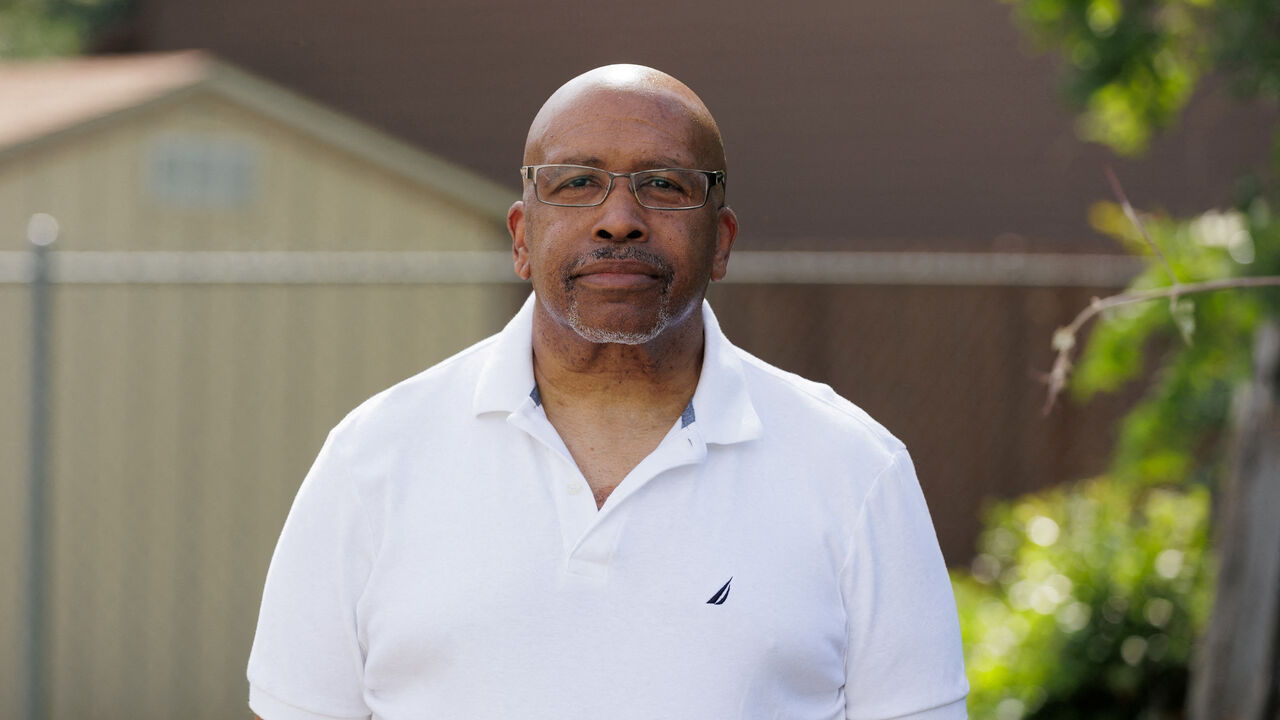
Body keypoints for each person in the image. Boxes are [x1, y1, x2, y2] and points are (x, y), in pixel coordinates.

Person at [247, 64, 968, 720]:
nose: (618, 217)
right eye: (576, 181)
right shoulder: (373, 460)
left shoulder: (854, 471)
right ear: (522, 236)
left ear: (721, 241)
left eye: (663, 185)